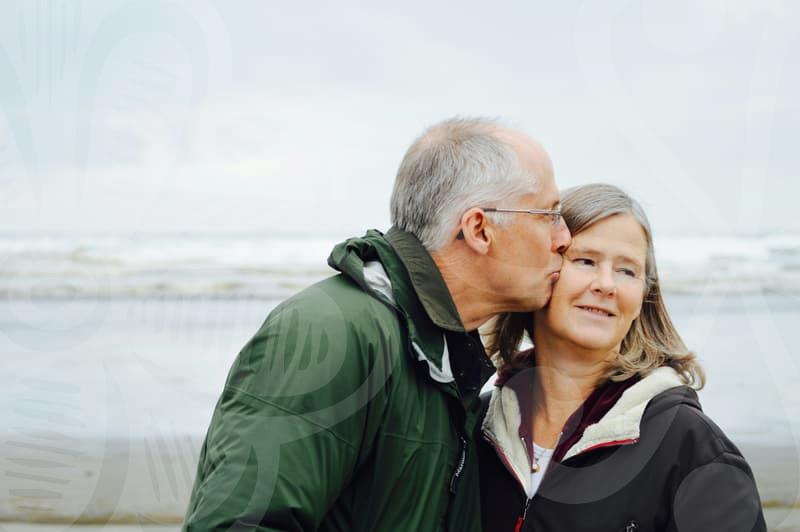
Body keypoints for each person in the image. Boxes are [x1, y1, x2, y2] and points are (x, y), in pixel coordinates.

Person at [183, 117, 571, 531]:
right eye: (547, 213)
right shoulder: (331, 332)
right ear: (479, 229)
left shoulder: (444, 357)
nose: (563, 237)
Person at [478, 183, 766, 532]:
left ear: (644, 295)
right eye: (585, 261)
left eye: (627, 270)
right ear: (542, 270)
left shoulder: (691, 446)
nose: (606, 284)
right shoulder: (479, 426)